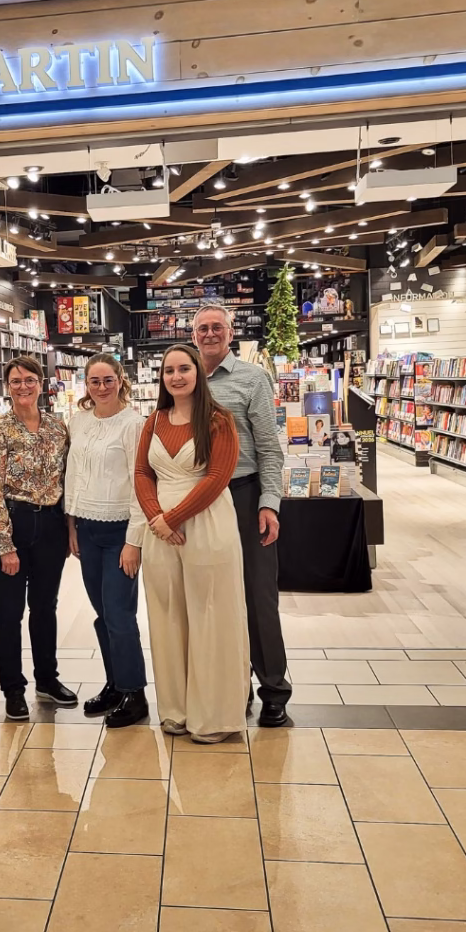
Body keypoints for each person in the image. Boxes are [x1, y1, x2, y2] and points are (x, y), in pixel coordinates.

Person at [135, 345, 249, 743]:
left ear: (198, 373)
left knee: (211, 614)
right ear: (161, 377)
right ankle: (176, 709)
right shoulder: (154, 420)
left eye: (184, 368)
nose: (176, 376)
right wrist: (156, 518)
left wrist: (173, 518)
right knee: (167, 614)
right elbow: (141, 472)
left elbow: (218, 476)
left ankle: (214, 716)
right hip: (160, 532)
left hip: (206, 525)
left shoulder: (219, 421)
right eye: (169, 370)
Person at [191, 304, 291, 727]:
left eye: (217, 327)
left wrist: (269, 502)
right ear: (193, 335)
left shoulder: (253, 379)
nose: (209, 334)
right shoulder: (185, 378)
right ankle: (234, 684)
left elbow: (269, 448)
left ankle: (273, 688)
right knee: (213, 597)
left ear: (231, 333)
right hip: (200, 500)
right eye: (202, 328)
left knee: (257, 595)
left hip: (244, 495)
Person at [0, 355, 76, 722]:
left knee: (45, 607)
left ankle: (47, 679)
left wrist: (69, 528)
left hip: (49, 526)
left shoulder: (56, 427)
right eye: (16, 381)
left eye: (29, 379)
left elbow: (66, 481)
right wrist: (5, 546)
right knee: (8, 612)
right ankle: (13, 689)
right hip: (10, 525)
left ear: (41, 383)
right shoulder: (0, 429)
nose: (23, 386)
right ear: (8, 386)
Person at [65, 353, 149, 728]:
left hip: (119, 532)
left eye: (107, 380)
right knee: (103, 615)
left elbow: (141, 482)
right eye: (94, 381)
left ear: (120, 380)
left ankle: (135, 694)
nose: (101, 388)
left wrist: (134, 541)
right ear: (86, 384)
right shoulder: (78, 422)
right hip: (86, 528)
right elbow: (73, 476)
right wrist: (71, 526)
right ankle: (115, 684)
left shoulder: (134, 424)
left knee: (120, 615)